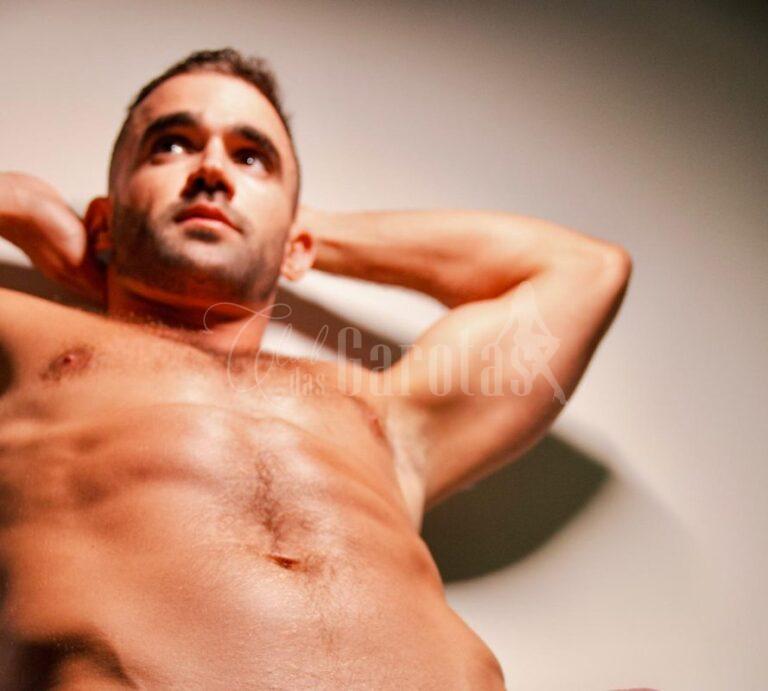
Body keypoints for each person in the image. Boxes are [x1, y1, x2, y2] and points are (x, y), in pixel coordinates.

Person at [0, 47, 632, 689]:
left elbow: (583, 271)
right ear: (103, 224)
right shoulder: (28, 340)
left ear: (296, 243)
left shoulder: (385, 412)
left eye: (251, 158)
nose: (212, 170)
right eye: (171, 145)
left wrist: (299, 238)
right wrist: (25, 206)